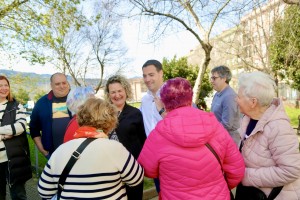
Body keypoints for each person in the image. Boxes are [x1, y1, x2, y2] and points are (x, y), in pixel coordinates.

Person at [138, 77, 245, 200]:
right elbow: (236, 169)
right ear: (190, 98)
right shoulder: (215, 126)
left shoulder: (158, 134)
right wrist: (219, 188)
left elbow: (147, 169)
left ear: (164, 102)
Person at [38, 97, 144, 199]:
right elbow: (136, 179)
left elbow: (44, 191)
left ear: (79, 119)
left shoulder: (60, 151)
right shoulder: (115, 149)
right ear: (111, 122)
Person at [235, 71, 300, 199]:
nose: (236, 99)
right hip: (252, 193)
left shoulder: (278, 127)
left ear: (253, 102)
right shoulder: (247, 119)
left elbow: (291, 170)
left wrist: (245, 175)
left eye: (239, 96)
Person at [105, 75, 147, 200]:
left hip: (132, 165)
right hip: (110, 166)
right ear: (108, 94)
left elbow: (143, 140)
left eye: (119, 91)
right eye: (113, 92)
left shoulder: (135, 113)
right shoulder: (103, 113)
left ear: (125, 91)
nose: (117, 95)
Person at [0, 75, 32, 200]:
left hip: (14, 158)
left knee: (18, 194)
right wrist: (5, 134)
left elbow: (21, 126)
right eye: (0, 85)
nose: (4, 88)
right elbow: (14, 129)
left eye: (6, 85)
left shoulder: (16, 106)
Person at [30, 72, 72, 159]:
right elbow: (34, 128)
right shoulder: (42, 103)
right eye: (57, 84)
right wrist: (43, 151)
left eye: (64, 83)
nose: (62, 86)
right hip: (53, 155)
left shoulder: (78, 99)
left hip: (79, 153)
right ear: (51, 85)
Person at [140, 59, 165, 193]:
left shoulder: (172, 94)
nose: (147, 79)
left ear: (161, 73)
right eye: (144, 76)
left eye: (151, 75)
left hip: (171, 154)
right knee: (161, 190)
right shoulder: (144, 100)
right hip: (154, 155)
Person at [210, 65, 240, 145]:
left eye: (214, 78)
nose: (211, 81)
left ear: (224, 78)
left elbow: (227, 124)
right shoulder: (217, 94)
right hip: (218, 138)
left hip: (228, 141)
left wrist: (210, 131)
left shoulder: (229, 96)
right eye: (211, 78)